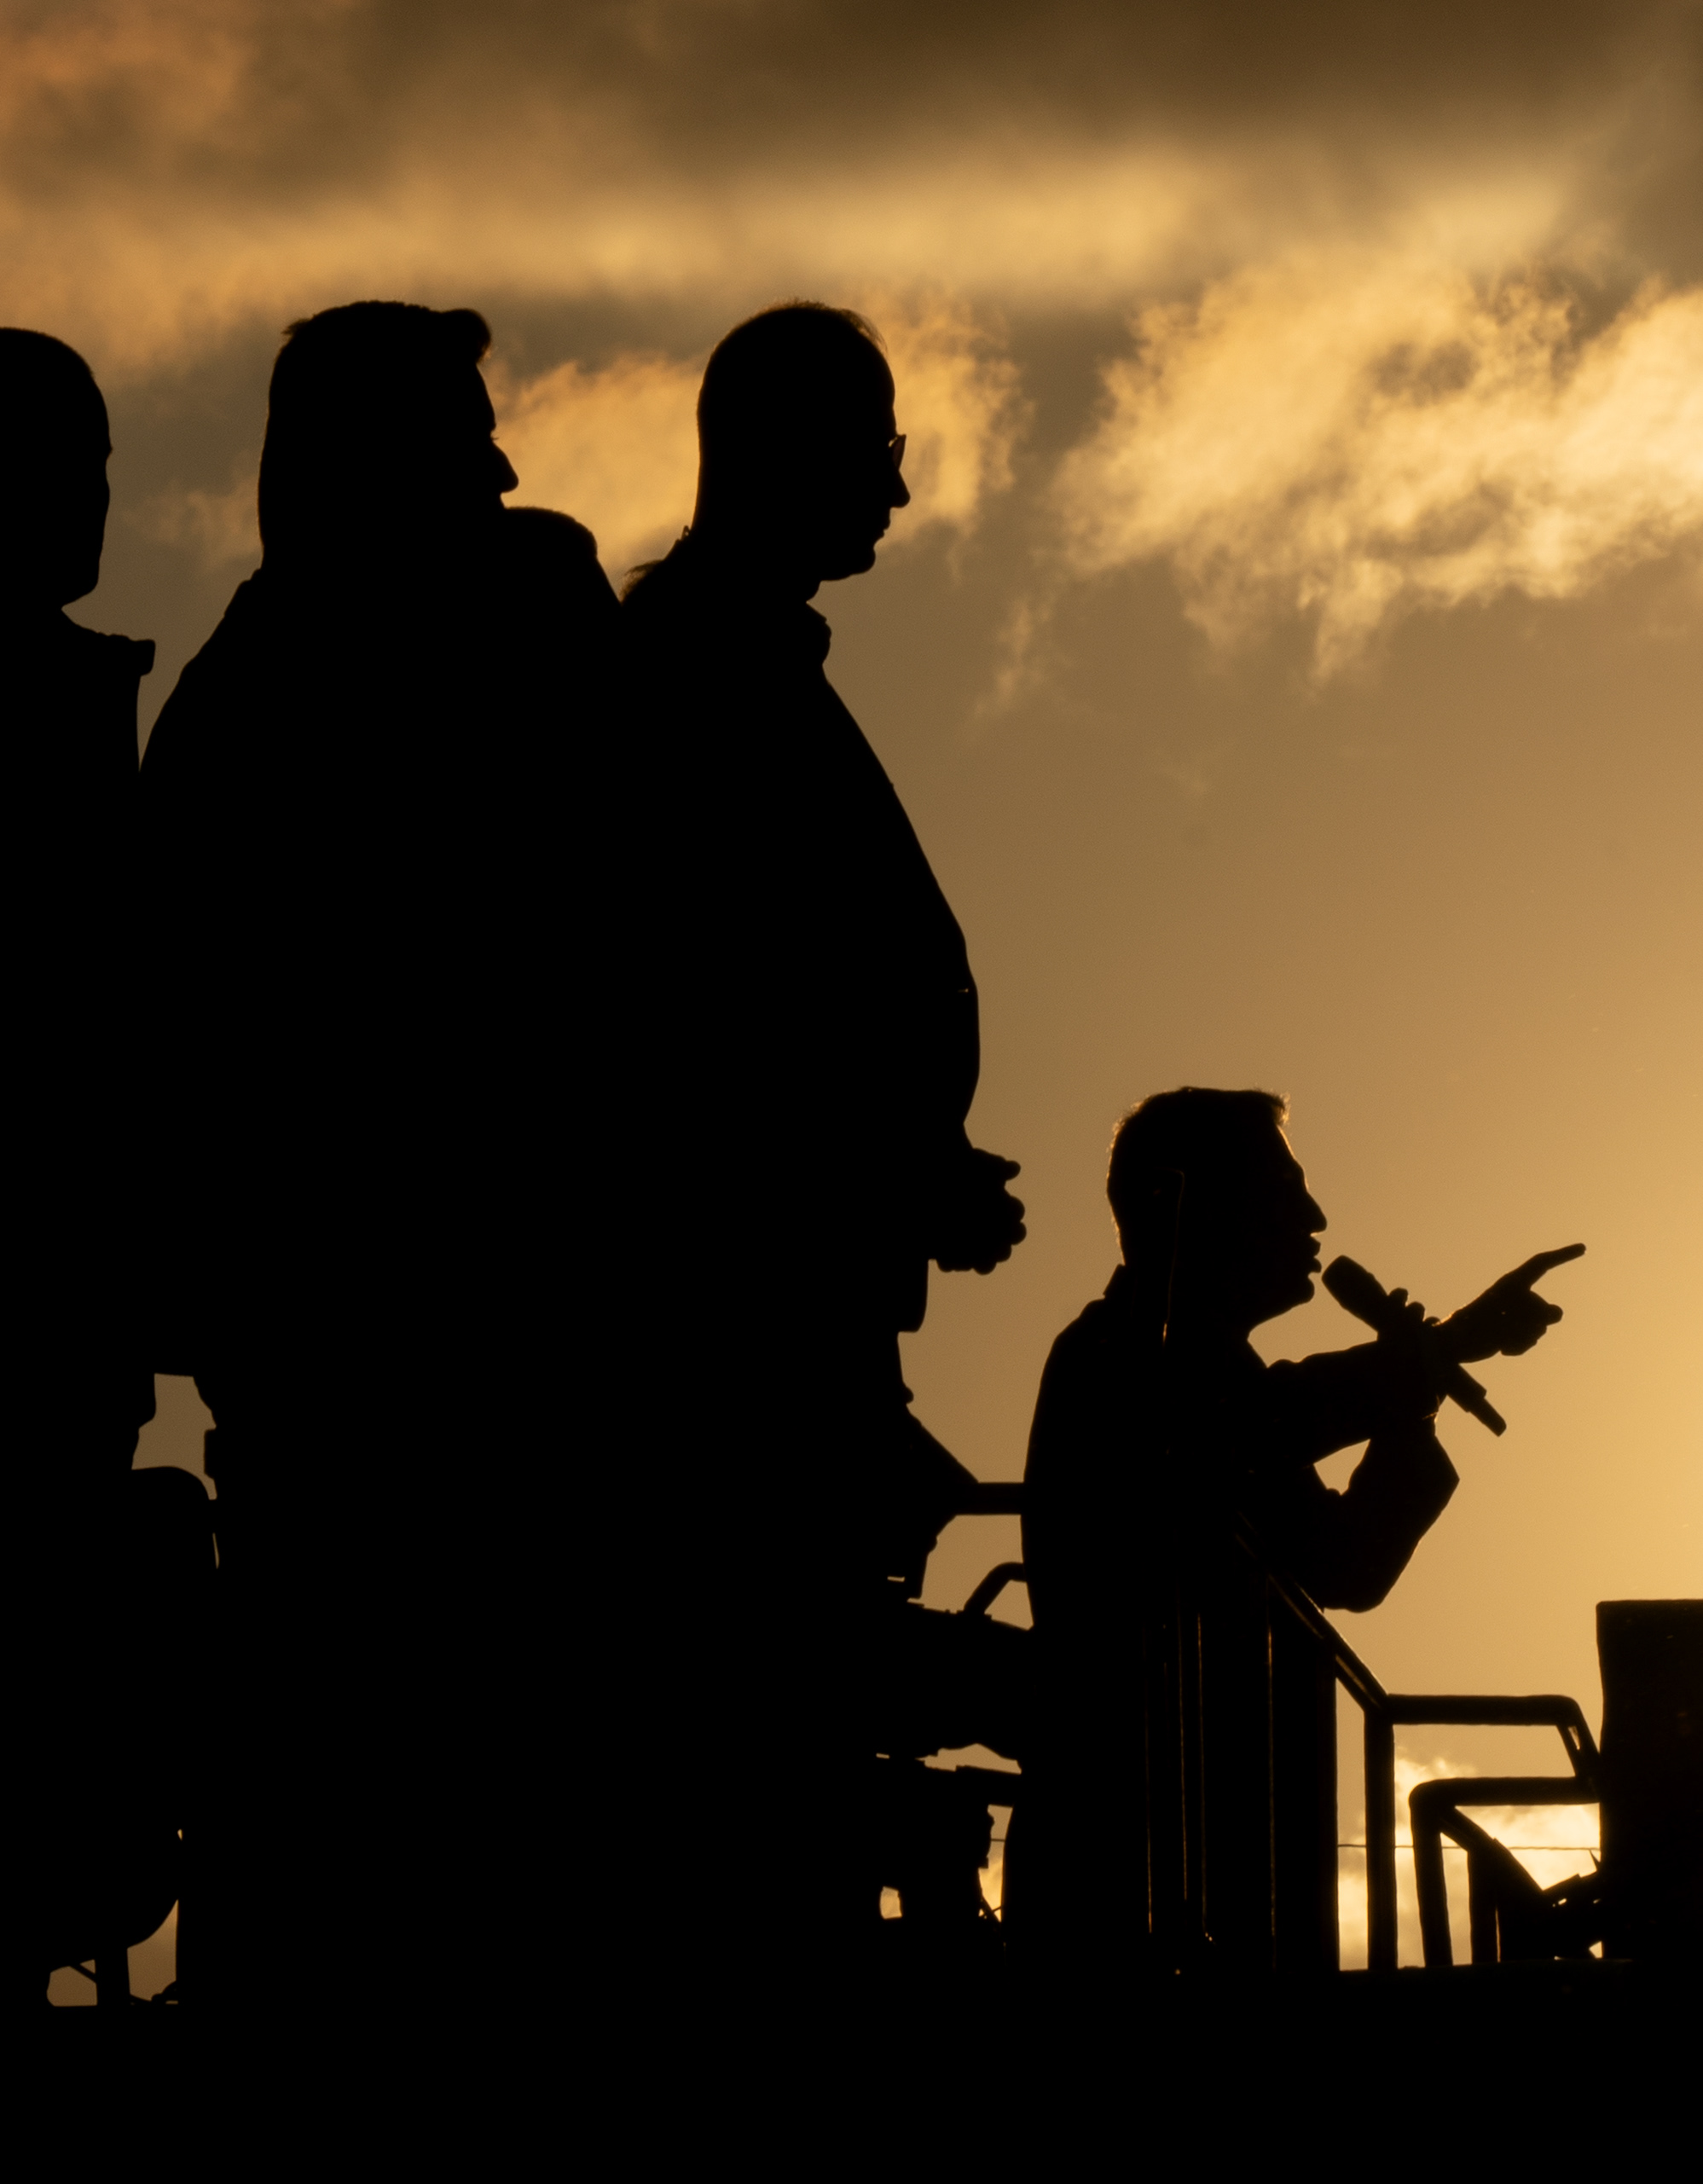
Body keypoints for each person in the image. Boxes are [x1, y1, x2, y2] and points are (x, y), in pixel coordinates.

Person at [135, 301, 631, 2025]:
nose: (503, 463)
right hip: (399, 1360)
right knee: (385, 1806)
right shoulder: (301, 699)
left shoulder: (235, 703)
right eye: (464, 433)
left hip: (393, 1357)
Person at [616, 302, 1023, 1981]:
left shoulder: (732, 668)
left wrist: (915, 1157)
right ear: (782, 449)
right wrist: (894, 1160)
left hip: (815, 1311)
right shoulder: (702, 683)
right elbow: (717, 1016)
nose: (906, 489)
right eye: (876, 445)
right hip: (749, 1335)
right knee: (763, 1734)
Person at [1009, 1086, 1578, 1955]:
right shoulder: (1123, 1354)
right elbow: (1259, 1417)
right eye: (1283, 1190)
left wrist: (1414, 1396)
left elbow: (1346, 1562)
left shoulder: (1189, 1367)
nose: (1315, 1216)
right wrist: (1434, 1354)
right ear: (1186, 1203)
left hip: (1222, 1852)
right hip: (1136, 1853)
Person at [5, 327, 199, 2002]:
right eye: (68, 471)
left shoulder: (88, 702)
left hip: (73, 1303)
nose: (94, 504)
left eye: (104, 468)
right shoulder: (42, 719)